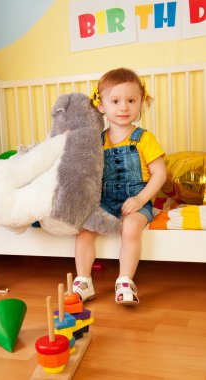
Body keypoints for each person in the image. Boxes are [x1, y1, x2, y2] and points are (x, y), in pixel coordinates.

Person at [72, 67, 167, 305]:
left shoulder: (144, 138)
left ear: (140, 104)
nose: (124, 107)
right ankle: (83, 281)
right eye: (115, 101)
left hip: (136, 198)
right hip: (105, 200)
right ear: (101, 105)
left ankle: (125, 281)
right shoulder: (99, 139)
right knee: (84, 228)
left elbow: (159, 174)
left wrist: (140, 200)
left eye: (131, 100)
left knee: (131, 227)